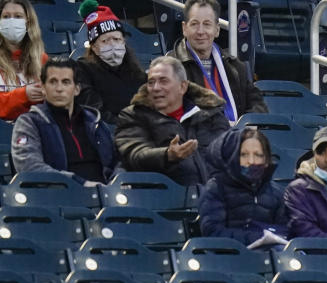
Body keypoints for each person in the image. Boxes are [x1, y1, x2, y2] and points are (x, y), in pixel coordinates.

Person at [114, 55, 230, 186]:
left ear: (182, 87)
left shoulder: (212, 114)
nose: (156, 88)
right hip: (164, 199)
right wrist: (167, 155)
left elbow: (230, 154)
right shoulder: (133, 115)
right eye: (151, 82)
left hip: (215, 197)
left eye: (163, 81)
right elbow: (134, 155)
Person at [11, 57, 116, 185]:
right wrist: (79, 183)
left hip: (106, 194)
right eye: (53, 82)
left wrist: (115, 182)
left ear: (77, 89)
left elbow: (118, 161)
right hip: (58, 198)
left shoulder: (95, 121)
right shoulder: (29, 122)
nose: (59, 89)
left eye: (66, 82)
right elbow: (30, 167)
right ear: (43, 88)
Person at [172, 0, 265, 121]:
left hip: (236, 136)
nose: (201, 31)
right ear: (184, 28)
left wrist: (249, 126)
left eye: (207, 24)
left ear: (217, 30)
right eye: (194, 24)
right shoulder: (171, 68)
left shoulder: (236, 66)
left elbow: (258, 105)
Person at [198, 126, 288, 247]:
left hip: (271, 257)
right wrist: (255, 237)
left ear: (266, 161)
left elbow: (286, 231)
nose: (251, 161)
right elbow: (212, 232)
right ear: (233, 158)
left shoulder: (277, 193)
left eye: (258, 155)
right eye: (244, 155)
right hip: (230, 259)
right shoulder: (215, 188)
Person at [75, 1, 147, 125]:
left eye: (116, 39)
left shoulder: (135, 71)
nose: (112, 44)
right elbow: (94, 111)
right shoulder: (83, 69)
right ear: (94, 47)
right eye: (105, 41)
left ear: (123, 42)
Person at [0, 0, 45, 122]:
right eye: (6, 16)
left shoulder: (42, 60)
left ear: (28, 22)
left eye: (18, 16)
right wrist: (24, 95)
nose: (12, 21)